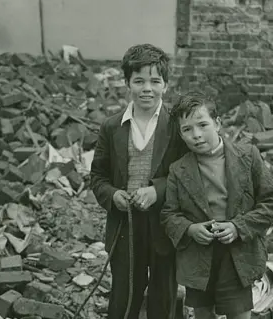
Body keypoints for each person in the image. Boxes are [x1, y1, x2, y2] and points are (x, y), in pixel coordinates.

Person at [160, 91, 273, 319]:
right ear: (181, 134)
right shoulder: (178, 169)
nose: (196, 135)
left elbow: (271, 201)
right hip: (198, 255)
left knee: (239, 312)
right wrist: (190, 229)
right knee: (203, 312)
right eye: (187, 129)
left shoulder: (248, 156)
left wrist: (239, 226)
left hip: (238, 254)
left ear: (217, 124)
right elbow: (169, 214)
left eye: (202, 125)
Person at [90, 44, 187, 319]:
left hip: (165, 223)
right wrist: (113, 196)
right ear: (127, 83)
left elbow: (188, 175)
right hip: (125, 225)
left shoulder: (177, 126)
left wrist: (157, 191)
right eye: (139, 81)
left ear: (165, 85)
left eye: (155, 81)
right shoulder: (111, 127)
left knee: (163, 295)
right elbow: (97, 176)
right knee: (124, 294)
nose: (147, 88)